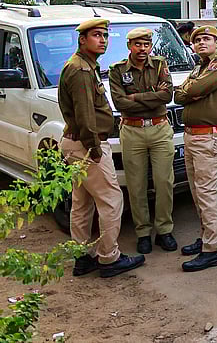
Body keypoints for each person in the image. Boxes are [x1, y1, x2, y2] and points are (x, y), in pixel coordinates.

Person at [60, 19, 145, 278]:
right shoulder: (81, 70)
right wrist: (94, 148)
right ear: (82, 40)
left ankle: (82, 256)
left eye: (105, 36)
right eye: (97, 35)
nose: (103, 40)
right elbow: (85, 114)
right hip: (87, 144)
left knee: (82, 203)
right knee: (111, 200)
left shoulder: (85, 66)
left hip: (76, 144)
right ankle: (109, 258)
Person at [109, 27, 177, 255]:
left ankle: (164, 230)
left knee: (164, 182)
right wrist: (152, 97)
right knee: (136, 185)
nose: (142, 49)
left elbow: (167, 96)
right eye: (138, 45)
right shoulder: (117, 70)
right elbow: (120, 104)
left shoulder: (159, 64)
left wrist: (136, 97)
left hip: (159, 128)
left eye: (146, 45)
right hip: (132, 130)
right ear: (129, 46)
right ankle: (143, 233)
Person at [174, 26, 217, 272]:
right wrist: (188, 91)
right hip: (193, 137)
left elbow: (193, 90)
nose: (201, 43)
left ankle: (213, 249)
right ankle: (206, 237)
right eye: (197, 40)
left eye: (207, 39)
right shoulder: (199, 68)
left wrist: (189, 90)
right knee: (197, 192)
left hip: (207, 138)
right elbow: (179, 96)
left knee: (206, 193)